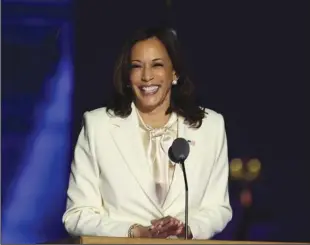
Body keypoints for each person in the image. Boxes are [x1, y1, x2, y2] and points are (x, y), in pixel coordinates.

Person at [62, 27, 232, 239]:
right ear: (127, 75)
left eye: (157, 65)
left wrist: (187, 229)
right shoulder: (98, 126)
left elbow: (218, 208)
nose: (147, 76)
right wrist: (133, 232)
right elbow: (77, 215)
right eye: (137, 67)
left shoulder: (210, 127)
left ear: (175, 73)